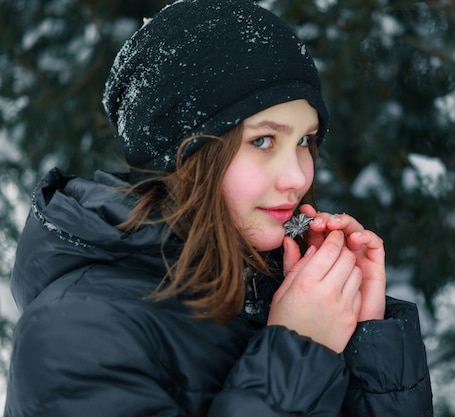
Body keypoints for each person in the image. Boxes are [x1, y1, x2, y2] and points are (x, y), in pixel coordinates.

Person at [4, 0, 433, 416]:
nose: (298, 177)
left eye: (304, 140)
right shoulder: (74, 335)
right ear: (181, 155)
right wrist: (298, 351)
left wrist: (364, 341)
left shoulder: (274, 291)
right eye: (262, 140)